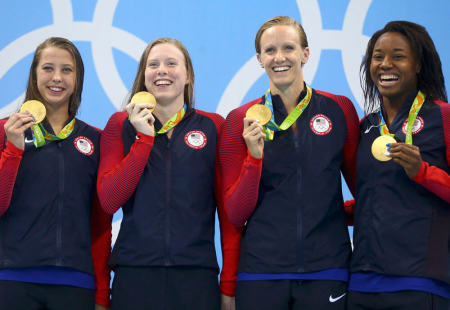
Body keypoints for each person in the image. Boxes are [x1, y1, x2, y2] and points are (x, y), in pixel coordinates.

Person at [218, 16, 359, 310]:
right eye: (269, 51)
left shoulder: (338, 109)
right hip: (261, 272)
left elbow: (365, 190)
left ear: (305, 54)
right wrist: (254, 159)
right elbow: (234, 212)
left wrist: (330, 215)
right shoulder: (239, 120)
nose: (279, 57)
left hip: (328, 269)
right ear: (259, 59)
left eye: (288, 48)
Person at [97, 37, 240, 310]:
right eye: (153, 64)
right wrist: (144, 140)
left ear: (188, 76)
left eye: (171, 63)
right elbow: (109, 200)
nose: (161, 70)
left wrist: (229, 284)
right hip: (135, 274)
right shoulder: (120, 125)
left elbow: (229, 215)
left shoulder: (214, 127)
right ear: (144, 76)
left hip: (196, 276)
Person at [0, 37, 112, 310]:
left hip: (76, 284)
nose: (57, 78)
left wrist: (101, 292)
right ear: (34, 74)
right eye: (48, 68)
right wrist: (13, 150)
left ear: (78, 78)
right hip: (12, 279)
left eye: (67, 70)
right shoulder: (6, 130)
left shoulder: (95, 140)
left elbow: (101, 225)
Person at [348, 20, 450, 310]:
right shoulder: (367, 127)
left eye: (398, 56)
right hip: (362, 284)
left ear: (418, 64)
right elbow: (378, 197)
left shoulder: (443, 117)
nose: (385, 64)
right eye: (378, 57)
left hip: (419, 282)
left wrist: (423, 173)